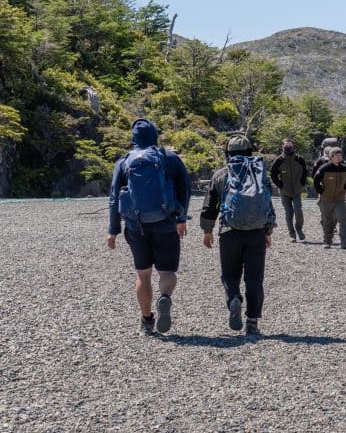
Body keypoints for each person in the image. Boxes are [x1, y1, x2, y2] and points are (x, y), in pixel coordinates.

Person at [106, 119, 191, 335]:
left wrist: (113, 230)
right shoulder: (168, 158)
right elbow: (185, 188)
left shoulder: (124, 161)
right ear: (155, 135)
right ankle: (165, 297)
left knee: (143, 275)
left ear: (133, 138)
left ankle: (146, 320)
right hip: (166, 223)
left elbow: (115, 198)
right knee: (167, 271)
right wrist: (181, 217)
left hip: (136, 226)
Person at [200, 135, 276, 335]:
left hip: (229, 232)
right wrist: (268, 230)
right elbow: (268, 203)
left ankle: (234, 297)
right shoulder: (260, 174)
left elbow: (210, 206)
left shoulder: (221, 175)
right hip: (257, 233)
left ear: (228, 153)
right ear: (250, 152)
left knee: (230, 274)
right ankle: (252, 322)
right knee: (254, 278)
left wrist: (207, 230)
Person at [313, 147, 346, 248]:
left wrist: (345, 189)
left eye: (340, 155)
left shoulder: (344, 168)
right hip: (326, 199)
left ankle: (345, 242)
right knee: (327, 220)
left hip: (339, 199)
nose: (339, 157)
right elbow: (316, 181)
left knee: (344, 219)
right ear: (331, 157)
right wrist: (321, 192)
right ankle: (327, 241)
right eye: (337, 155)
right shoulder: (324, 168)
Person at [270, 138, 309, 242]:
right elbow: (273, 174)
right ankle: (292, 234)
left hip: (297, 190)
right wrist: (280, 185)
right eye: (286, 145)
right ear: (282, 146)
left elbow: (305, 172)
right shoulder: (279, 160)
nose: (288, 147)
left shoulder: (300, 159)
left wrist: (301, 184)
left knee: (298, 210)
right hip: (284, 191)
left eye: (290, 145)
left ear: (293, 146)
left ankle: (299, 229)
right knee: (289, 213)